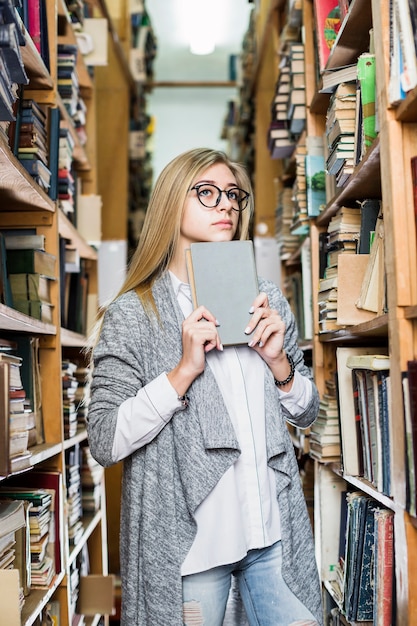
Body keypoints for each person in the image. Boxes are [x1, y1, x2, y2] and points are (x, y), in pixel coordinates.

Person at [87, 148, 323, 626]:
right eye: (208, 193)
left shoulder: (266, 297)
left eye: (234, 195)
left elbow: (307, 411)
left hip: (272, 536)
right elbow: (104, 439)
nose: (227, 206)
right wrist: (181, 373)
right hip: (191, 548)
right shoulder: (134, 312)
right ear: (172, 203)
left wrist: (280, 364)